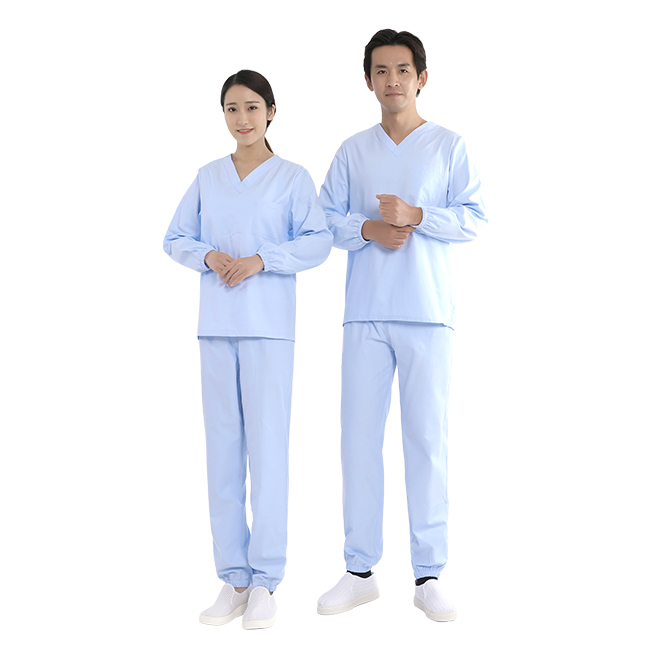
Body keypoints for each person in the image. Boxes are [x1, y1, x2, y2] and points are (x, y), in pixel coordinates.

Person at [317, 29, 486, 622]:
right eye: (382, 71)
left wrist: (418, 215)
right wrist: (367, 229)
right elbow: (322, 221)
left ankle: (429, 574)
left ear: (422, 78)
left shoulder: (448, 146)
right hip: (366, 312)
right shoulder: (352, 151)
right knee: (358, 440)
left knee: (426, 441)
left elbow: (474, 218)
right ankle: (359, 571)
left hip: (427, 312)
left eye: (403, 70)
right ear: (368, 80)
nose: (393, 80)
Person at [163, 70, 332, 630]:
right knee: (223, 456)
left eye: (252, 107)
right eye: (232, 108)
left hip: (268, 329)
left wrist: (263, 259)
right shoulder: (207, 177)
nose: (242, 118)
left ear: (272, 112)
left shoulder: (292, 177)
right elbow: (175, 238)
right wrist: (208, 257)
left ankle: (265, 581)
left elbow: (317, 242)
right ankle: (233, 579)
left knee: (268, 452)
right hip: (216, 327)